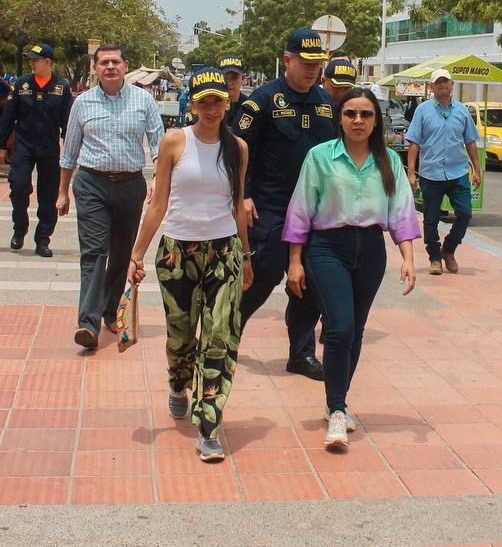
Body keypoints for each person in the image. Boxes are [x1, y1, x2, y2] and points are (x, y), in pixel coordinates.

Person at [283, 87, 418, 449]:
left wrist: (408, 257)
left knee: (356, 330)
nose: (358, 121)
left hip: (371, 250)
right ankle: (338, 410)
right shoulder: (320, 157)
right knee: (340, 328)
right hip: (326, 249)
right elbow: (301, 210)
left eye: (366, 115)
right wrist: (295, 263)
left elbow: (401, 212)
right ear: (339, 119)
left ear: (377, 120)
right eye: (350, 114)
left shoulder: (390, 160)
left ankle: (337, 401)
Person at [129, 67, 251, 463]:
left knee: (219, 338)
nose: (212, 109)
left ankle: (209, 426)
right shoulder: (174, 141)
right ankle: (178, 382)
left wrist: (245, 258)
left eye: (219, 100)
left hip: (223, 253)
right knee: (181, 337)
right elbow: (158, 203)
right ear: (192, 104)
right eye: (204, 102)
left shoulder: (238, 148)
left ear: (228, 102)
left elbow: (237, 206)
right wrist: (136, 254)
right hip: (177, 253)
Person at [236, 28, 333, 382]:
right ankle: (227, 337)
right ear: (288, 59)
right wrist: (244, 195)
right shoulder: (261, 101)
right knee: (264, 275)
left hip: (315, 210)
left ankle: (301, 354)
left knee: (307, 283)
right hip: (271, 206)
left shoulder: (326, 103)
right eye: (305, 63)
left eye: (316, 64)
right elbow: (239, 153)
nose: (311, 70)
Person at [57, 44, 164, 350]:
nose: (110, 67)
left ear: (125, 65)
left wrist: (158, 178)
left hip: (130, 186)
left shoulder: (143, 101)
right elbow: (70, 152)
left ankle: (109, 310)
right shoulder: (82, 103)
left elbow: (159, 144)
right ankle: (87, 324)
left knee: (121, 254)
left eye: (115, 62)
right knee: (94, 253)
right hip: (92, 184)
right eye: (103, 62)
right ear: (95, 68)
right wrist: (62, 192)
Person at [0, 42, 73, 257]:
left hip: (49, 147)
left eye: (35, 60)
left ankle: (43, 239)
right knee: (19, 186)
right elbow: (8, 116)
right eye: (30, 59)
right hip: (24, 146)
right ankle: (19, 227)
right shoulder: (21, 85)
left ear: (48, 62)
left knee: (48, 195)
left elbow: (68, 121)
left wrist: (71, 148)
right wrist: (1, 145)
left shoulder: (62, 87)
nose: (31, 63)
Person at [405, 70, 481, 276]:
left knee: (465, 213)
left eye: (445, 82)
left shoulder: (463, 111)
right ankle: (435, 257)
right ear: (431, 87)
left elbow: (470, 142)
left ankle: (449, 249)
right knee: (431, 218)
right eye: (437, 83)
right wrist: (412, 173)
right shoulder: (422, 110)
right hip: (431, 173)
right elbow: (413, 144)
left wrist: (476, 169)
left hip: (457, 173)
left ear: (452, 84)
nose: (442, 86)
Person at [217, 54, 248, 129]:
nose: (230, 82)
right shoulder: (213, 106)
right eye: (225, 78)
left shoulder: (249, 106)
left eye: (234, 78)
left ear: (243, 78)